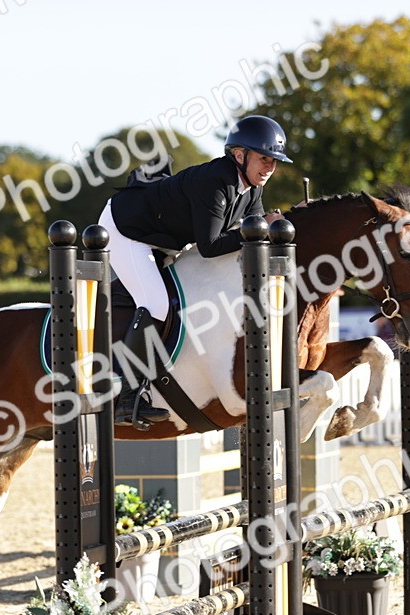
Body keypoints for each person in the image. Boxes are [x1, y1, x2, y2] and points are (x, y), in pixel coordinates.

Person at [98, 114, 291, 428]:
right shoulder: (216, 181)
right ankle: (128, 396)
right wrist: (263, 229)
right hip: (127, 230)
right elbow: (212, 245)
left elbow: (252, 235)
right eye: (264, 159)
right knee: (157, 303)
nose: (270, 168)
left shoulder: (253, 188)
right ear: (239, 155)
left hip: (162, 237)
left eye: (275, 161)